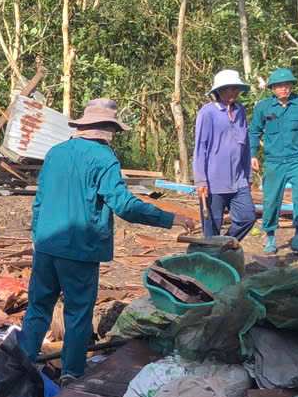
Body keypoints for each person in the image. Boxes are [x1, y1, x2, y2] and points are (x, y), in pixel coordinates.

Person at [19, 98, 196, 381]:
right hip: (79, 248)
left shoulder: (55, 153)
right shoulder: (103, 158)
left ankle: (20, 365)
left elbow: (39, 201)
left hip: (47, 244)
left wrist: (37, 237)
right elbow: (124, 205)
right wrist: (169, 218)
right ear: (107, 129)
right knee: (77, 312)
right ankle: (72, 373)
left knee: (39, 306)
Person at [250, 68, 298, 256]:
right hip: (274, 162)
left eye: (287, 85)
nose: (284, 89)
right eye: (279, 86)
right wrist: (252, 155)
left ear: (292, 86)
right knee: (271, 200)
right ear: (272, 88)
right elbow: (254, 132)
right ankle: (271, 238)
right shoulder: (263, 107)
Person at [194, 70, 255, 240]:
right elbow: (200, 148)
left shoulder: (240, 111)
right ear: (218, 91)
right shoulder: (207, 113)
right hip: (213, 182)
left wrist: (248, 176)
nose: (232, 92)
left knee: (247, 217)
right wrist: (201, 180)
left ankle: (225, 245)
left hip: (238, 180)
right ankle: (212, 258)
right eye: (228, 89)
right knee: (211, 228)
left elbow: (246, 145)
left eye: (235, 88)